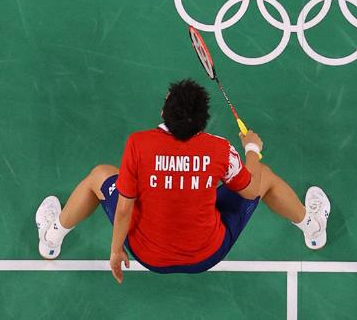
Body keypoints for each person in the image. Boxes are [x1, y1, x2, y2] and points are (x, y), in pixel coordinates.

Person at [34, 78, 331, 282]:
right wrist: (252, 149)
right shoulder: (219, 149)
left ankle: (52, 238)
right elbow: (252, 188)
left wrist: (115, 251)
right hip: (208, 254)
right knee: (263, 176)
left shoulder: (139, 144)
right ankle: (312, 228)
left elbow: (124, 208)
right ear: (203, 120)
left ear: (164, 111)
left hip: (147, 254)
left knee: (99, 176)